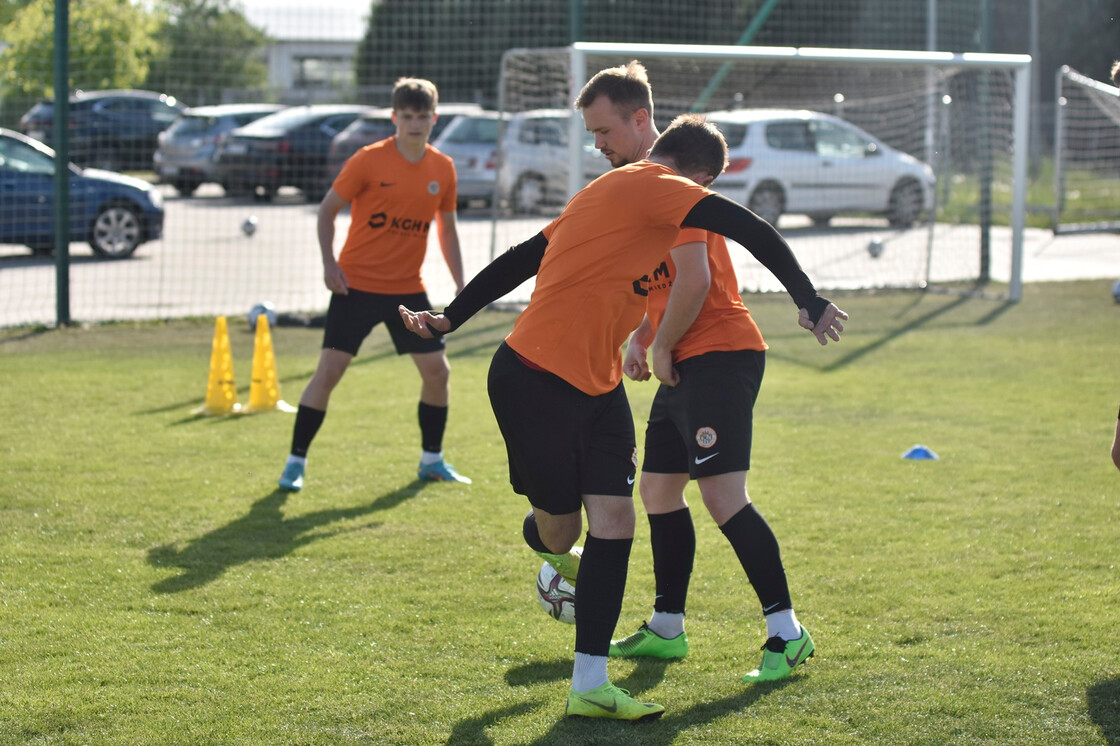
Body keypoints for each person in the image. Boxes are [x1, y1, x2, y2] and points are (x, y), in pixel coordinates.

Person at [398, 113, 846, 721]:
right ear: (694, 175)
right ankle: (556, 554)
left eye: (603, 131)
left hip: (603, 386)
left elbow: (724, 241)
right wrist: (453, 316)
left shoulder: (624, 195)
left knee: (616, 520)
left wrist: (453, 314)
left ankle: (590, 685)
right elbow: (529, 255)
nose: (598, 143)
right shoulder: (653, 184)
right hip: (534, 375)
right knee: (563, 530)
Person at [577, 61, 818, 683]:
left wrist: (659, 349)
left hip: (721, 357)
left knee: (723, 496)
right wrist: (645, 335)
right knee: (658, 490)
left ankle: (786, 632)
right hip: (685, 358)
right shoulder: (654, 194)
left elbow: (696, 281)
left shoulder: (682, 201)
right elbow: (663, 288)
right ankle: (666, 626)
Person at [277, 77, 470, 492]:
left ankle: (431, 461)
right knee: (329, 371)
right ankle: (295, 463)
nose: (415, 124)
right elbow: (327, 211)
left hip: (407, 291)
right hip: (356, 287)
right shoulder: (368, 160)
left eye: (423, 117)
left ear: (434, 118)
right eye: (407, 116)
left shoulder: (443, 168)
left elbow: (447, 231)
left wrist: (461, 283)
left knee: (438, 371)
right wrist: (330, 265)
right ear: (394, 117)